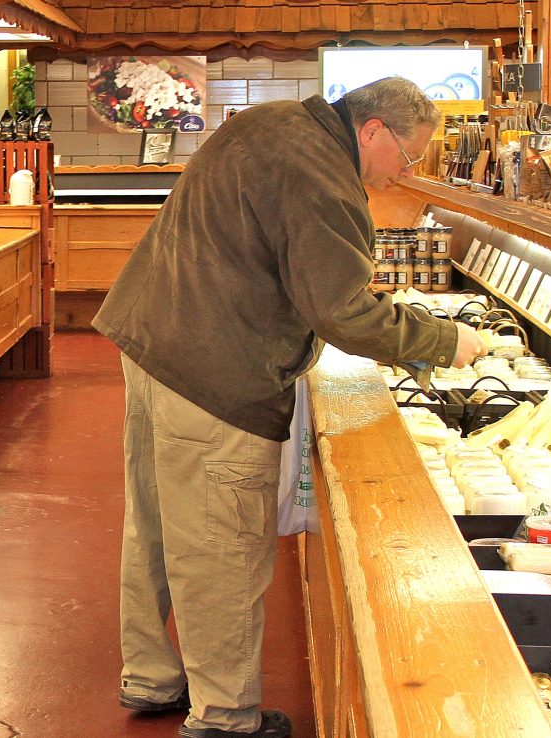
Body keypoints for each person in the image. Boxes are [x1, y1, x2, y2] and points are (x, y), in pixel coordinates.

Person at [92, 77, 485, 738]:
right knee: (219, 544)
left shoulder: (272, 121)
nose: (406, 173)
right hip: (215, 369)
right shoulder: (325, 179)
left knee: (157, 524)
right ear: (373, 130)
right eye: (409, 157)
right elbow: (346, 316)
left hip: (153, 339)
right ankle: (223, 717)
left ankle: (152, 674)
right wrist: (449, 341)